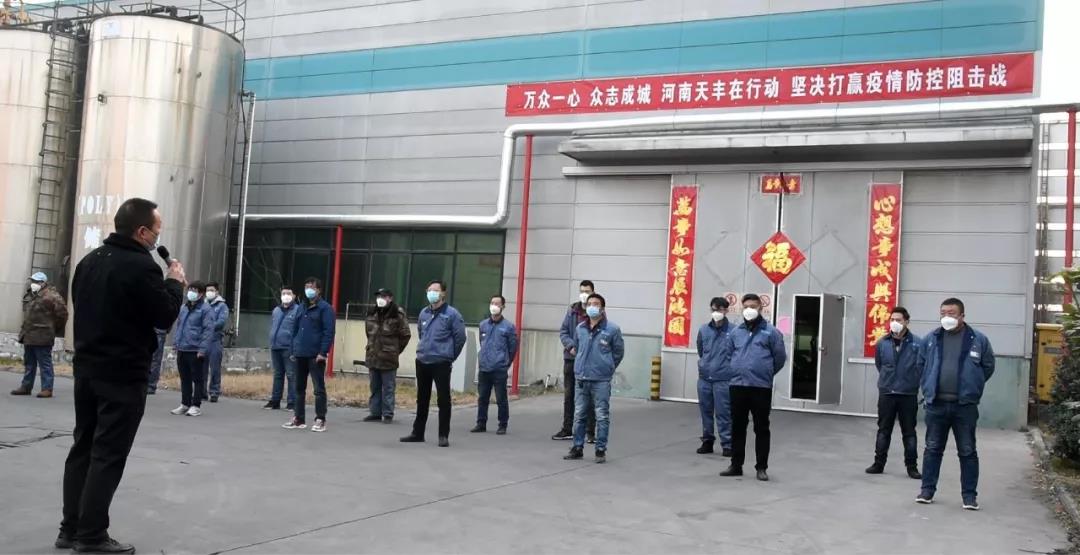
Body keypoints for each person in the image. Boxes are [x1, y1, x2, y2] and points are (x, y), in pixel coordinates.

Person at [60, 198, 185, 554]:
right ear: (141, 231)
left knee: (83, 447)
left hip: (87, 368)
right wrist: (174, 283)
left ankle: (70, 527)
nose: (157, 239)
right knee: (108, 454)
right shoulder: (141, 267)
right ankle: (91, 535)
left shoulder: (89, 262)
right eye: (156, 232)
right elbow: (164, 315)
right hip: (122, 373)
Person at [916, 298, 995, 510]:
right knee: (933, 448)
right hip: (936, 404)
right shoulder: (931, 339)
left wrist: (973, 384)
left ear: (962, 316)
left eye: (951, 313)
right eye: (943, 313)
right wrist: (928, 386)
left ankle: (969, 496)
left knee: (967, 451)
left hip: (965, 406)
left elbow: (987, 367)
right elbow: (921, 365)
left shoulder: (978, 340)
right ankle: (927, 491)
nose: (946, 317)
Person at [720, 294, 787, 482]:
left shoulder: (771, 332)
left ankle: (761, 468)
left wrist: (765, 372)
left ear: (760, 308)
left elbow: (780, 358)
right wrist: (737, 370)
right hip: (738, 386)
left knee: (762, 428)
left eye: (753, 306)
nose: (749, 309)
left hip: (760, 387)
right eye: (746, 306)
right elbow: (729, 354)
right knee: (737, 427)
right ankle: (736, 465)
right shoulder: (736, 333)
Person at [400, 280, 465, 447]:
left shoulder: (452, 314)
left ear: (443, 293)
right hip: (423, 360)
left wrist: (450, 355)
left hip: (441, 362)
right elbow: (422, 333)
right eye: (429, 290)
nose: (432, 293)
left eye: (435, 290)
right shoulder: (424, 313)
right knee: (422, 399)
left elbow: (460, 337)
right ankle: (417, 433)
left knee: (443, 399)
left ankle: (443, 435)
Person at [563, 293, 624, 464]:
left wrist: (608, 366)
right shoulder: (580, 328)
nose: (592, 306)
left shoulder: (612, 329)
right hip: (582, 378)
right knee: (579, 415)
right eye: (589, 303)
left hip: (601, 380)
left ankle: (600, 449)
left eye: (596, 304)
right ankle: (577, 447)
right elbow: (578, 348)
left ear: (602, 308)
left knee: (601, 415)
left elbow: (618, 352)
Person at [866, 307, 923, 479]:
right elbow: (880, 364)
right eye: (892, 320)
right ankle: (879, 463)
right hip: (887, 393)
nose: (895, 323)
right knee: (884, 430)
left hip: (908, 394)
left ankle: (912, 467)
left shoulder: (917, 344)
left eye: (898, 320)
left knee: (909, 432)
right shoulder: (882, 343)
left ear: (906, 321)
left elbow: (921, 366)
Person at [282, 277, 335, 433]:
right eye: (306, 287)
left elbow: (329, 332)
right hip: (300, 353)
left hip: (315, 355)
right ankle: (299, 418)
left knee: (318, 389)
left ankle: (320, 419)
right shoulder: (302, 307)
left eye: (311, 287)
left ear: (319, 290)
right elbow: (295, 329)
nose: (308, 290)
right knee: (298, 388)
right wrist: (293, 349)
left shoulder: (325, 309)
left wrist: (323, 352)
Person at [11, 271, 68, 398]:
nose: (33, 284)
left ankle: (47, 388)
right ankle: (26, 386)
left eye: (36, 282)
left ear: (43, 283)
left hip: (43, 335)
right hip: (29, 334)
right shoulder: (30, 295)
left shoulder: (52, 296)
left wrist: (53, 328)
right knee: (29, 363)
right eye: (32, 281)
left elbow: (62, 314)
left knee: (44, 363)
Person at [552, 280, 597, 442]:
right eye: (582, 291)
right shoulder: (572, 311)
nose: (584, 294)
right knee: (569, 396)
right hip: (571, 359)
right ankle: (567, 429)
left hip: (589, 361)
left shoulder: (596, 312)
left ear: (593, 292)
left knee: (589, 396)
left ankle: (590, 432)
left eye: (587, 291)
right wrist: (571, 346)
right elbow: (564, 331)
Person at [471, 294, 518, 435]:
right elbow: (482, 343)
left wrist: (506, 362)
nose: (494, 306)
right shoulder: (483, 325)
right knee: (482, 397)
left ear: (503, 306)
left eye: (497, 304)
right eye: (492, 303)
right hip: (484, 367)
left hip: (499, 368)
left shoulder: (508, 327)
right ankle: (481, 423)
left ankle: (502, 424)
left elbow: (513, 347)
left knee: (501, 398)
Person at [363, 288, 411, 423]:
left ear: (390, 298)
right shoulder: (372, 313)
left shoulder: (398, 314)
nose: (380, 299)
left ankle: (388, 413)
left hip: (389, 357)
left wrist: (395, 350)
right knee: (374, 386)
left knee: (388, 387)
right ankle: (375, 412)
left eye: (383, 296)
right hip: (373, 356)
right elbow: (369, 334)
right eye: (378, 296)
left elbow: (405, 335)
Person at [695, 297, 734, 457]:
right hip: (705, 378)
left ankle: (727, 444)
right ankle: (707, 441)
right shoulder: (704, 330)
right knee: (706, 411)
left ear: (726, 311)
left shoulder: (733, 331)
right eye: (713, 309)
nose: (716, 312)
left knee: (724, 413)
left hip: (723, 379)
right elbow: (700, 349)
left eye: (719, 309)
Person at [170, 281, 214, 417]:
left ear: (201, 294)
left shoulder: (206, 309)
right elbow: (180, 327)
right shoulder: (184, 307)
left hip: (195, 349)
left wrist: (202, 349)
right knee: (185, 378)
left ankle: (196, 405)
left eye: (195, 290)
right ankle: (185, 403)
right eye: (190, 289)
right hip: (183, 348)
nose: (191, 293)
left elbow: (208, 330)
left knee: (198, 379)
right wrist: (176, 344)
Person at [264, 286, 301, 411]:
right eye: (283, 293)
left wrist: (295, 348)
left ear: (294, 296)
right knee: (278, 375)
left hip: (289, 348)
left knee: (291, 375)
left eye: (288, 293)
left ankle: (292, 402)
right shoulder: (276, 310)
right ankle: (275, 401)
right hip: (275, 346)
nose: (285, 296)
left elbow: (299, 331)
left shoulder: (298, 310)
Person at [203, 281, 229, 403]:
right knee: (201, 368)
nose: (209, 292)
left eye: (212, 290)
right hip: (203, 340)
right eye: (207, 290)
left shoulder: (222, 306)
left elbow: (221, 322)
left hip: (215, 339)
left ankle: (214, 392)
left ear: (217, 292)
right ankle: (201, 392)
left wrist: (208, 326)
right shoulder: (203, 304)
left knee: (214, 368)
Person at [147, 328, 167, 395]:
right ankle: (150, 385)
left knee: (155, 360)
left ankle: (151, 385)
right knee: (154, 360)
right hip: (156, 331)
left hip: (158, 331)